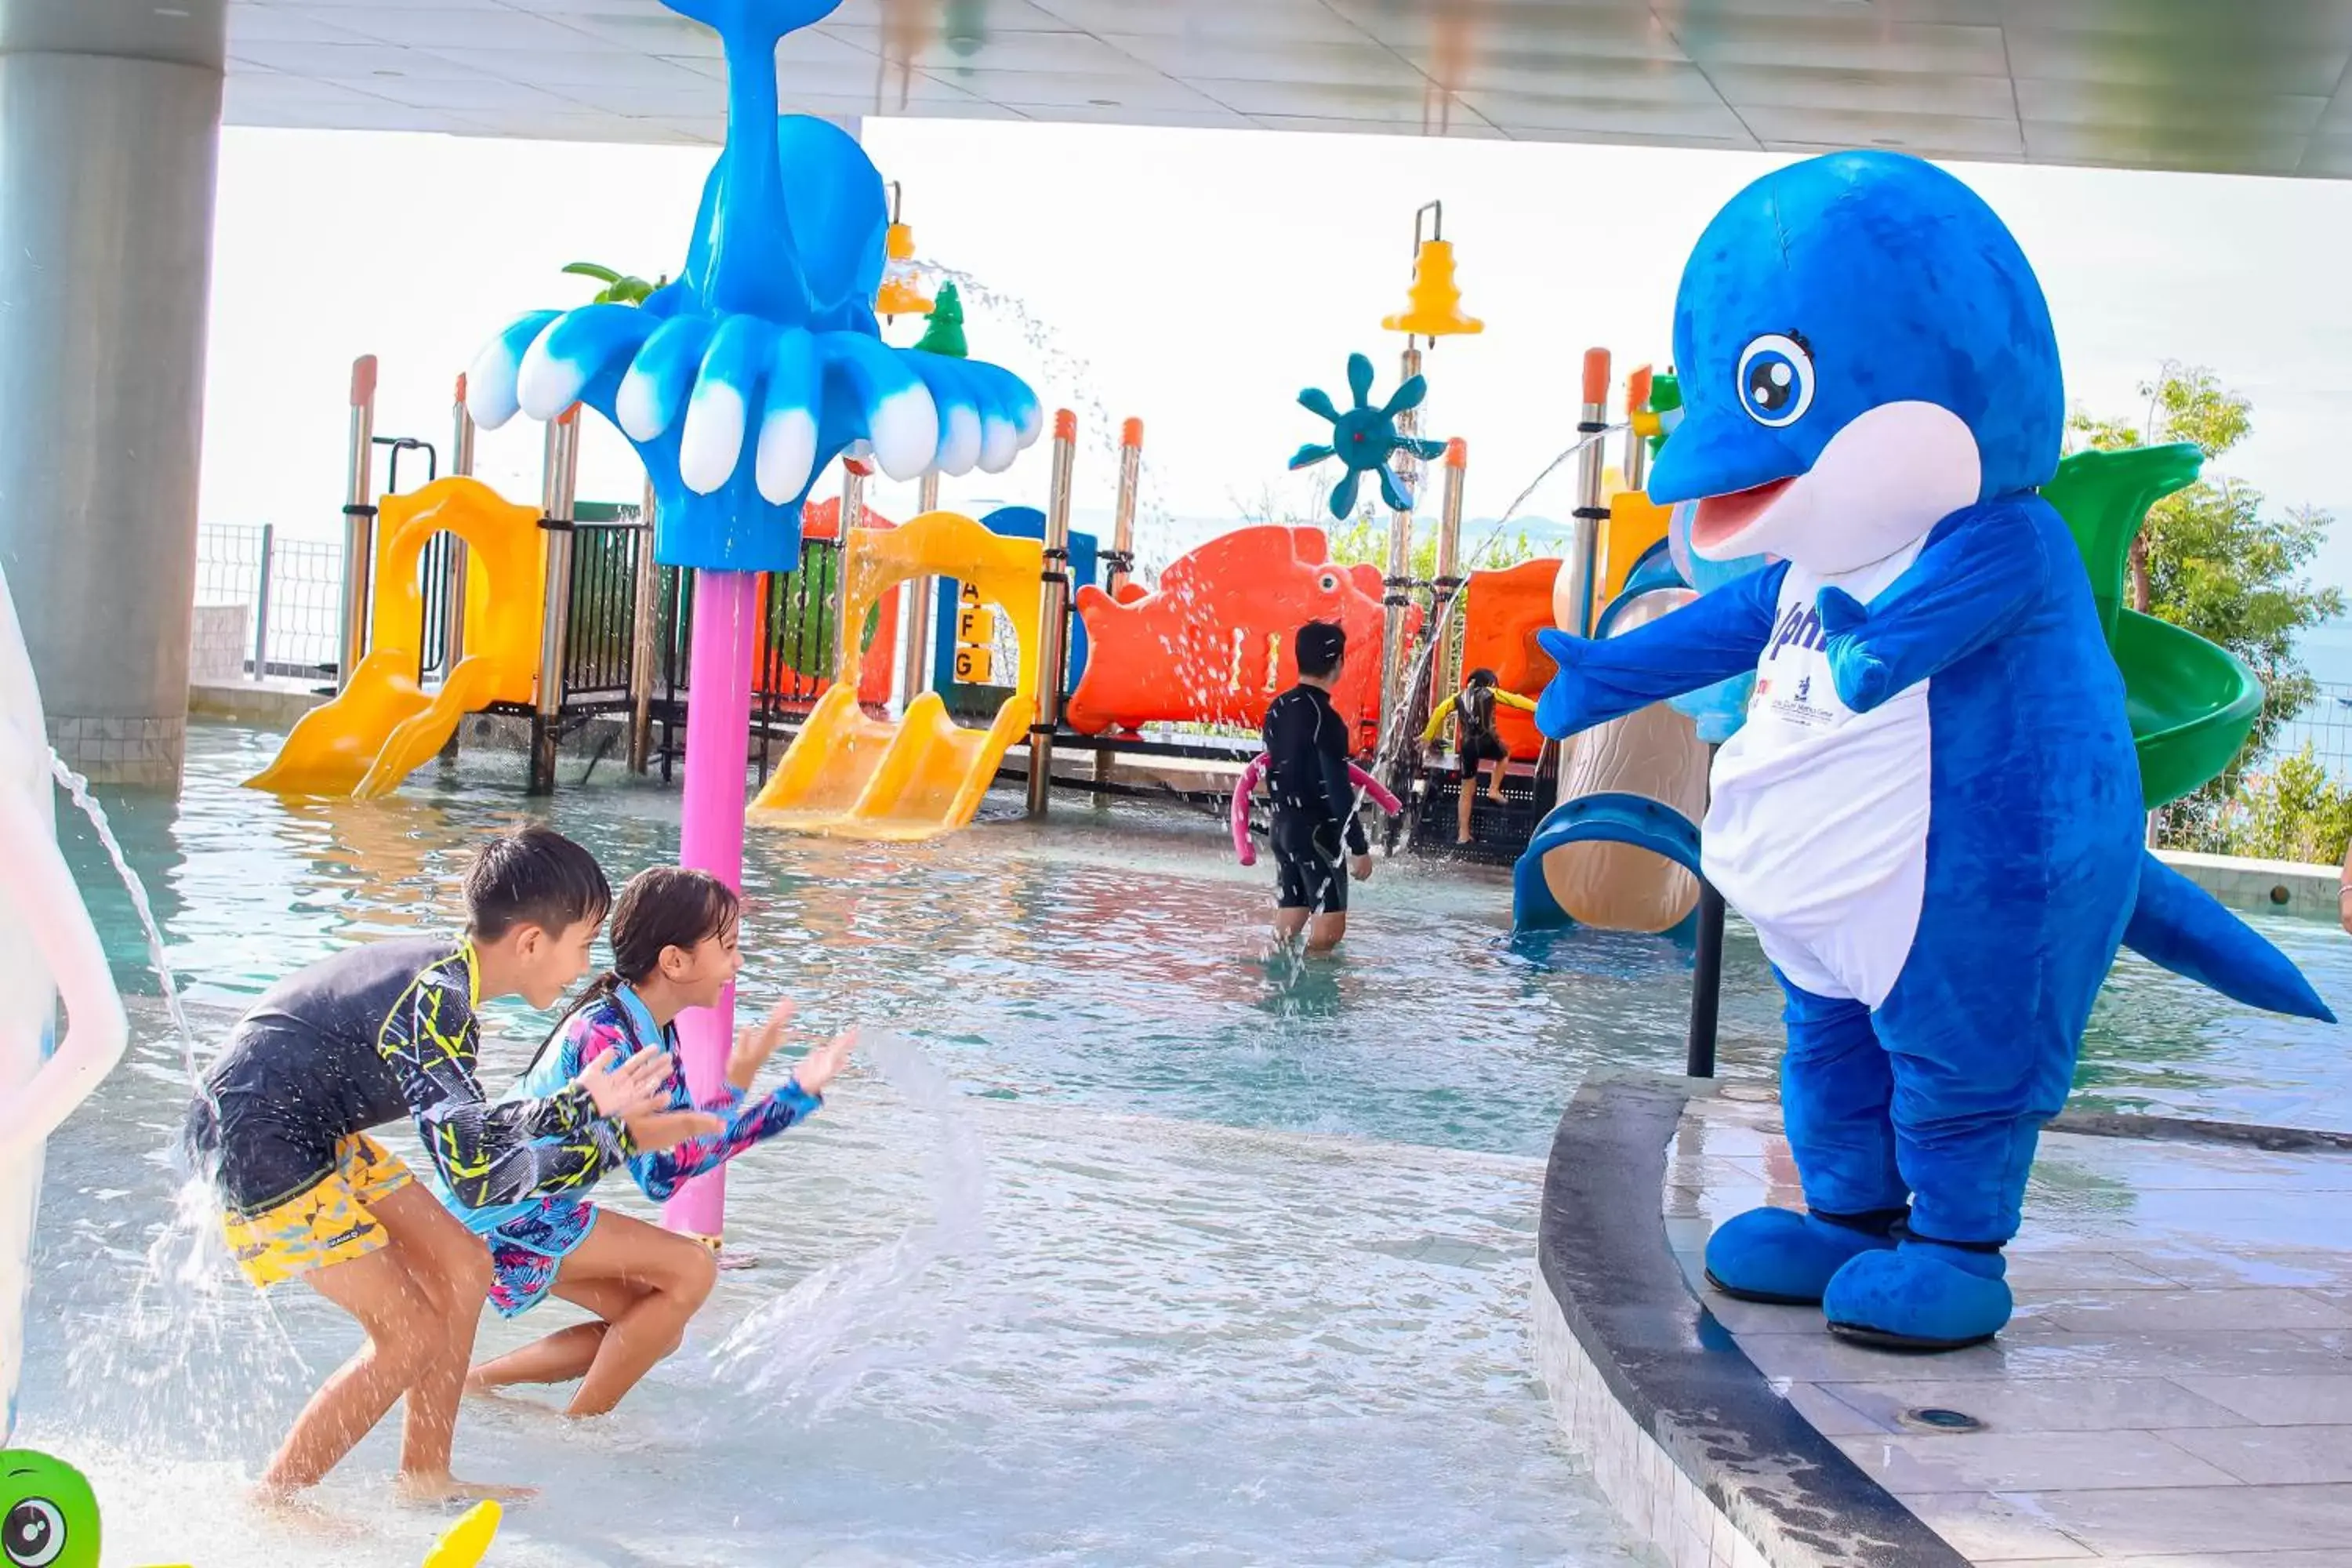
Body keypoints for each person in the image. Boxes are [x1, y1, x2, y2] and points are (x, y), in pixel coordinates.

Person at [183, 826, 718, 1504]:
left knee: (465, 1262)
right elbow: (473, 1170)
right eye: (581, 945)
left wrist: (582, 1113)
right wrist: (587, 1111)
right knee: (408, 1334)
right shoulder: (436, 998)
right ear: (531, 941)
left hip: (310, 1130)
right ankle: (276, 1499)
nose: (584, 967)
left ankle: (425, 1475)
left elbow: (475, 1148)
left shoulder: (447, 987)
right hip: (255, 1139)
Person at [453, 866, 855, 1417]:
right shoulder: (610, 1033)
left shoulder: (649, 1026)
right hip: (500, 1206)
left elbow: (664, 1166)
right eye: (729, 947)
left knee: (653, 1327)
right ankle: (582, 1428)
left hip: (510, 1207)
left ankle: (472, 1384)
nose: (737, 964)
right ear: (674, 960)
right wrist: (789, 1098)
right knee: (692, 1269)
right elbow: (668, 1172)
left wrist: (738, 1088)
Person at [1260, 620, 1374, 950]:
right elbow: (1338, 790)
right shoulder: (1328, 719)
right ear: (1338, 662)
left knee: (1289, 921)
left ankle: (1278, 992)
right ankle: (1313, 1001)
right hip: (1316, 834)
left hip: (1282, 828)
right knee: (1328, 933)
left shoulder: (1278, 707)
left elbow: (1274, 768)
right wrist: (1359, 848)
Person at [1421, 667, 1537, 844]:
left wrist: (1428, 737)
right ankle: (1494, 789)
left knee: (1466, 789)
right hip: (1487, 740)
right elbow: (1516, 701)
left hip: (1467, 747)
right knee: (1504, 755)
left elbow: (1439, 712)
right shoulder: (1490, 692)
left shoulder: (1458, 697)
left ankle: (1463, 834)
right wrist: (1539, 708)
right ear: (1489, 682)